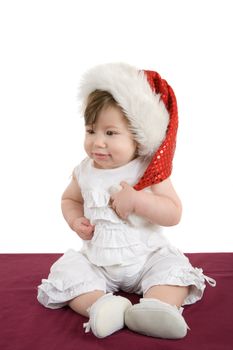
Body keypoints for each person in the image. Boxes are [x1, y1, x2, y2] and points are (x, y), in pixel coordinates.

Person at [37, 63, 216, 339]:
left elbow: (173, 213)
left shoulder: (147, 169)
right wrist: (75, 220)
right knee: (67, 272)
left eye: (110, 133)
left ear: (138, 136)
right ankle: (103, 306)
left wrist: (137, 202)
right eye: (91, 130)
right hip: (98, 261)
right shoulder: (84, 171)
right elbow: (69, 199)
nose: (98, 142)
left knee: (174, 270)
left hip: (146, 258)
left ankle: (157, 307)